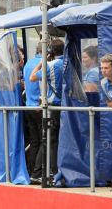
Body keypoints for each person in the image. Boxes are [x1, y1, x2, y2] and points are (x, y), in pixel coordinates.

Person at [29, 39, 65, 182]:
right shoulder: (68, 63)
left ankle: (40, 172)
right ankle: (55, 171)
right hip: (65, 106)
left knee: (49, 140)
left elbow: (32, 77)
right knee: (57, 140)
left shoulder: (50, 65)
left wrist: (42, 61)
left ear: (51, 51)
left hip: (53, 106)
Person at [23, 42, 42, 174]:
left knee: (35, 141)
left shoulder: (28, 63)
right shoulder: (44, 63)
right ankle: (38, 171)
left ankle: (32, 170)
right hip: (39, 107)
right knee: (43, 141)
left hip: (29, 106)